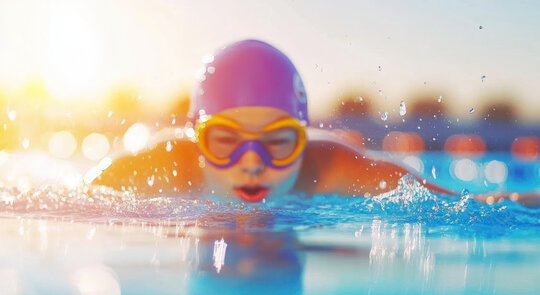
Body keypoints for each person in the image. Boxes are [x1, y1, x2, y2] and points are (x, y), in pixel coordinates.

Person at [92, 39, 538, 206]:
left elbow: (467, 204)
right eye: (225, 140)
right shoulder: (155, 167)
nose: (253, 163)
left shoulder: (335, 167)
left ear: (304, 139)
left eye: (280, 142)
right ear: (195, 137)